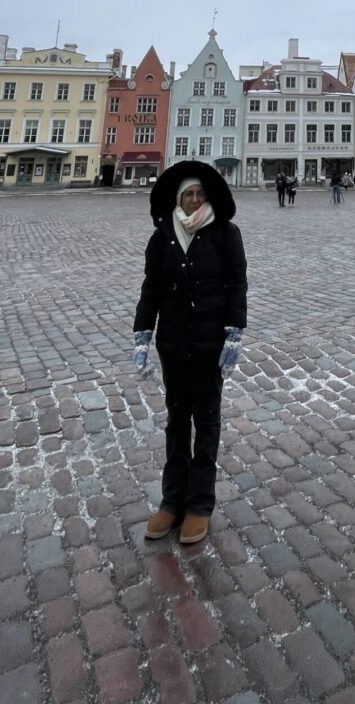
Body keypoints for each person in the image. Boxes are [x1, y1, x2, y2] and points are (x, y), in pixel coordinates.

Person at [133, 162, 247, 547]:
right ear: (178, 198)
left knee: (207, 420)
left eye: (200, 193)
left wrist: (235, 331)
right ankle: (171, 501)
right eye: (188, 194)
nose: (195, 199)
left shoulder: (225, 234)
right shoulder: (162, 236)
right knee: (177, 421)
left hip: (210, 344)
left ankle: (199, 504)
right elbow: (151, 287)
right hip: (173, 342)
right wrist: (142, 332)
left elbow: (237, 283)